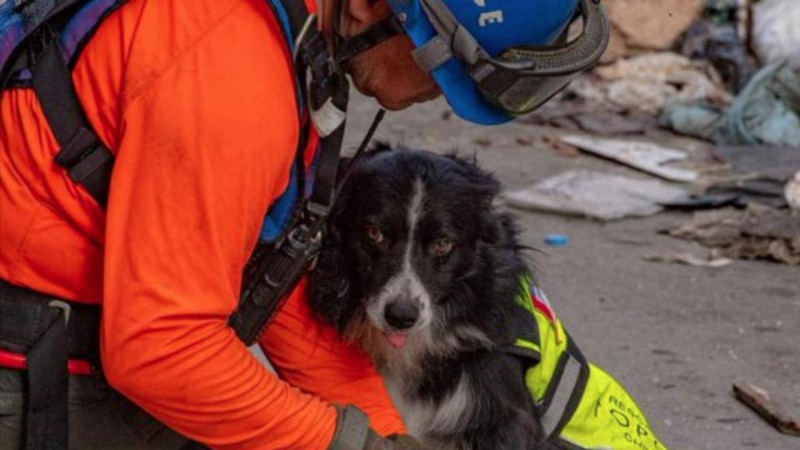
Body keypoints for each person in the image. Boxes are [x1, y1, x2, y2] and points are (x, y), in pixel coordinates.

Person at [0, 0, 608, 448]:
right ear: (375, 8)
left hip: (80, 333)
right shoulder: (231, 72)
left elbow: (265, 263)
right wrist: (352, 445)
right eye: (444, 75)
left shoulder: (284, 35)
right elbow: (162, 348)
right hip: (34, 360)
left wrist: (389, 432)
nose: (442, 98)